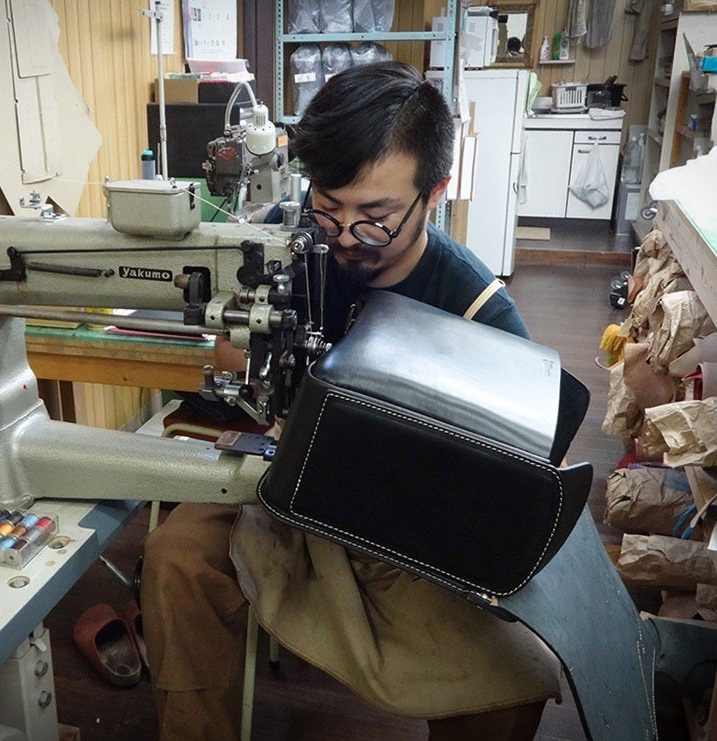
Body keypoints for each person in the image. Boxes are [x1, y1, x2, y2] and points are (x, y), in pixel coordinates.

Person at [140, 61, 561, 740]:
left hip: (404, 526)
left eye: (374, 219)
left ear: (434, 193)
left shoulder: (480, 314)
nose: (341, 236)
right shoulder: (281, 246)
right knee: (176, 559)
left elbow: (509, 481)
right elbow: (226, 353)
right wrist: (244, 356)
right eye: (328, 207)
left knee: (515, 671)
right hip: (283, 482)